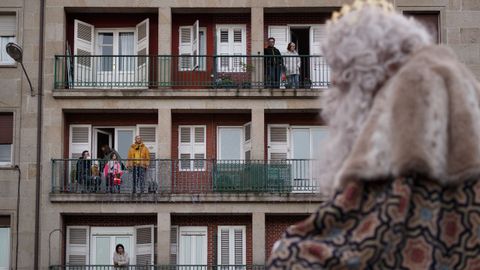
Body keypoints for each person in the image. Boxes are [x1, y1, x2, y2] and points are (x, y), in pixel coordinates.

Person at [268, 0, 480, 269]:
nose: (332, 87)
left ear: (365, 70)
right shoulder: (455, 81)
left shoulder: (415, 85)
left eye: (341, 77)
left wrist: (289, 249)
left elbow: (368, 224)